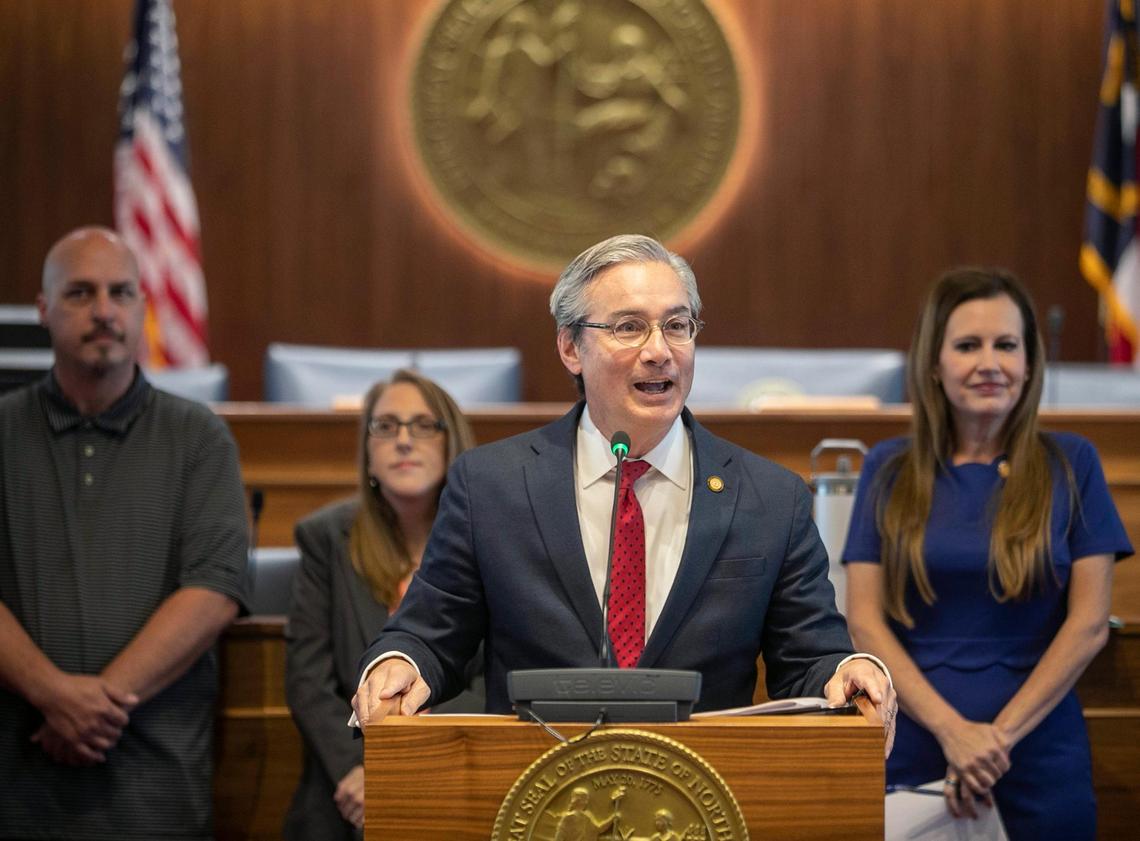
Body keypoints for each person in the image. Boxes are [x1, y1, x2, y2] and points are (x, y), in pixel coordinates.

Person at [351, 234, 894, 726]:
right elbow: (430, 635)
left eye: (677, 326)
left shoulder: (771, 498)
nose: (659, 351)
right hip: (536, 785)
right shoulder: (492, 485)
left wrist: (847, 672)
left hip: (704, 788)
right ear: (571, 348)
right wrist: (401, 663)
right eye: (629, 327)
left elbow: (810, 658)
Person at [842, 267, 1133, 840]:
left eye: (1007, 345)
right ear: (934, 362)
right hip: (917, 745)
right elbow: (864, 621)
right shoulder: (888, 467)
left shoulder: (1072, 463)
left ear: (1029, 362)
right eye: (968, 345)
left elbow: (1089, 625)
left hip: (1038, 752)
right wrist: (954, 733)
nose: (990, 363)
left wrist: (994, 739)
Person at [0, 227, 249, 840]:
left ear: (144, 307)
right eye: (80, 293)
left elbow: (215, 589)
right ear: (43, 309)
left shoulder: (199, 437)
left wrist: (95, 705)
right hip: (16, 776)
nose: (104, 311)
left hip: (154, 780)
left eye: (121, 292)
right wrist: (54, 696)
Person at [283, 370, 482, 840]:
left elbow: (496, 675)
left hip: (463, 768)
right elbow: (308, 678)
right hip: (347, 792)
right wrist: (362, 769)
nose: (404, 440)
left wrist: (405, 762)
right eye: (386, 426)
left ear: (451, 442)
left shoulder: (490, 536)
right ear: (367, 452)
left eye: (423, 425)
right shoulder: (326, 538)